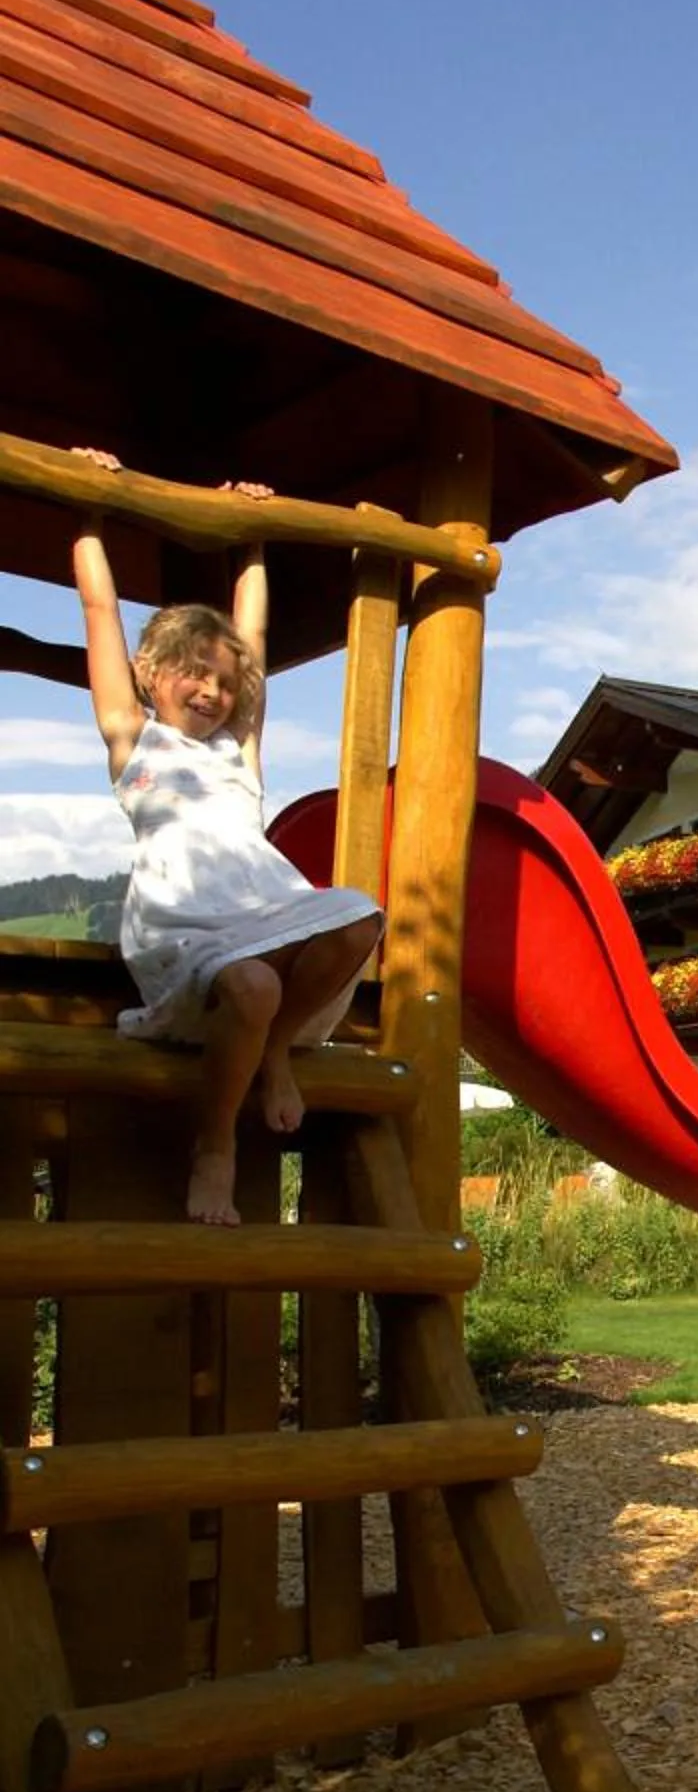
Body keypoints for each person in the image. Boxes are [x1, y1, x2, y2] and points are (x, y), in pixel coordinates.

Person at [72, 459, 382, 1226]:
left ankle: (274, 1053)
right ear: (150, 673)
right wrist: (90, 511)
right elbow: (98, 606)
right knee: (253, 987)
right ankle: (216, 1147)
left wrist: (254, 540)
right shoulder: (132, 739)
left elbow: (255, 639)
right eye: (193, 675)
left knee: (360, 917)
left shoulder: (236, 756)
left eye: (224, 683)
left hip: (262, 908)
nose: (212, 692)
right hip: (185, 918)